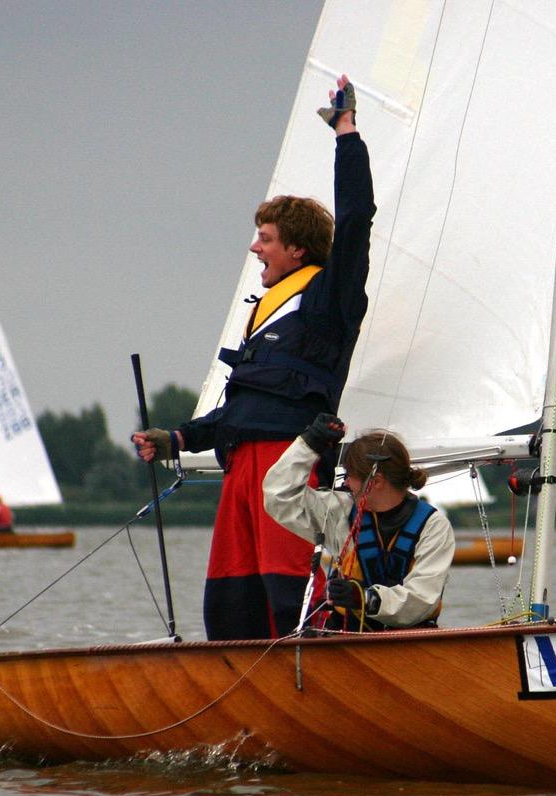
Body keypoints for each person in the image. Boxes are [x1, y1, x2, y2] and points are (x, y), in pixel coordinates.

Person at [133, 74, 375, 641]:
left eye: (264, 238)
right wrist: (177, 438)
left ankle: (315, 659)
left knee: (290, 590)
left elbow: (356, 219)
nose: (254, 247)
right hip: (241, 465)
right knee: (232, 593)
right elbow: (243, 408)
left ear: (297, 248)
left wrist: (346, 132)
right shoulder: (261, 313)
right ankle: (234, 669)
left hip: (288, 463)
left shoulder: (329, 296)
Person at [263, 414, 455, 632]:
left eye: (349, 475)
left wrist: (363, 598)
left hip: (411, 641)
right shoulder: (340, 511)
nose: (345, 482)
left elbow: (422, 598)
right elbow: (279, 496)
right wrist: (310, 443)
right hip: (347, 637)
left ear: (376, 481)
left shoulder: (433, 527)